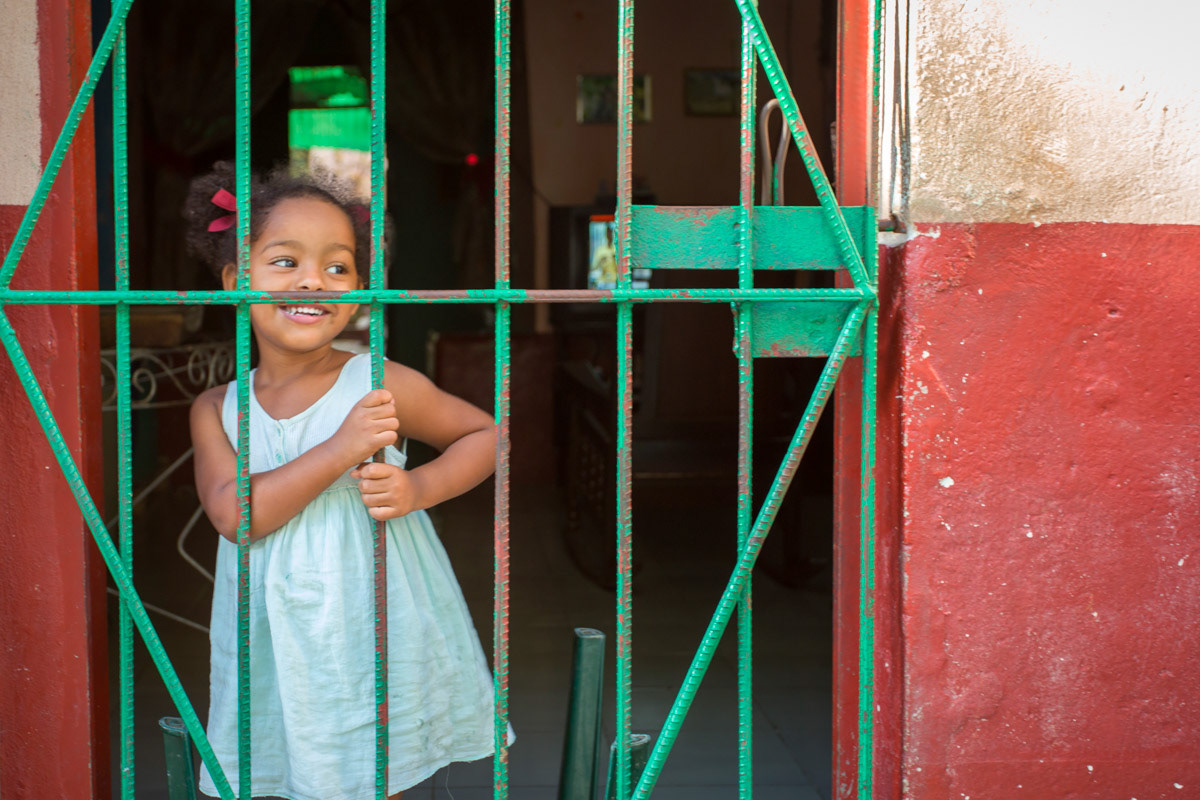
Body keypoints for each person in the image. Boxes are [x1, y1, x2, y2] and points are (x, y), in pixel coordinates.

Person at [185, 162, 507, 800]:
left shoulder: (381, 381)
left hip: (375, 625)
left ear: (360, 291)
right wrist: (342, 448)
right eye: (284, 261)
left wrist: (419, 489)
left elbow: (487, 435)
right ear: (233, 280)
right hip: (275, 637)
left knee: (377, 758)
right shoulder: (218, 410)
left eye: (338, 268)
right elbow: (233, 515)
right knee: (283, 755)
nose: (314, 280)